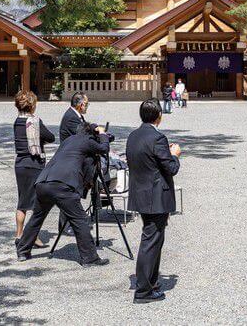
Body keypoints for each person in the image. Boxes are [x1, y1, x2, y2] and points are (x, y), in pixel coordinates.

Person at [17, 122, 112, 267]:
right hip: (62, 185)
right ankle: (90, 258)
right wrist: (103, 134)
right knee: (80, 220)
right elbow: (104, 148)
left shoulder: (69, 140)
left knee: (37, 216)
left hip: (44, 181)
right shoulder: (87, 140)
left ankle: (23, 251)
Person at [126, 98, 181, 304]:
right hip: (155, 196)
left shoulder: (133, 136)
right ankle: (143, 290)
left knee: (153, 240)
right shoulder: (158, 139)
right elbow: (171, 168)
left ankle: (151, 282)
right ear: (159, 116)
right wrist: (175, 155)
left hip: (141, 194)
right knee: (150, 241)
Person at [12, 90, 55, 248]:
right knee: (37, 203)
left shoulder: (17, 122)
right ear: (32, 106)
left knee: (22, 201)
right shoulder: (35, 122)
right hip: (34, 163)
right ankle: (33, 236)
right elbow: (51, 137)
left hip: (20, 164)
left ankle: (18, 235)